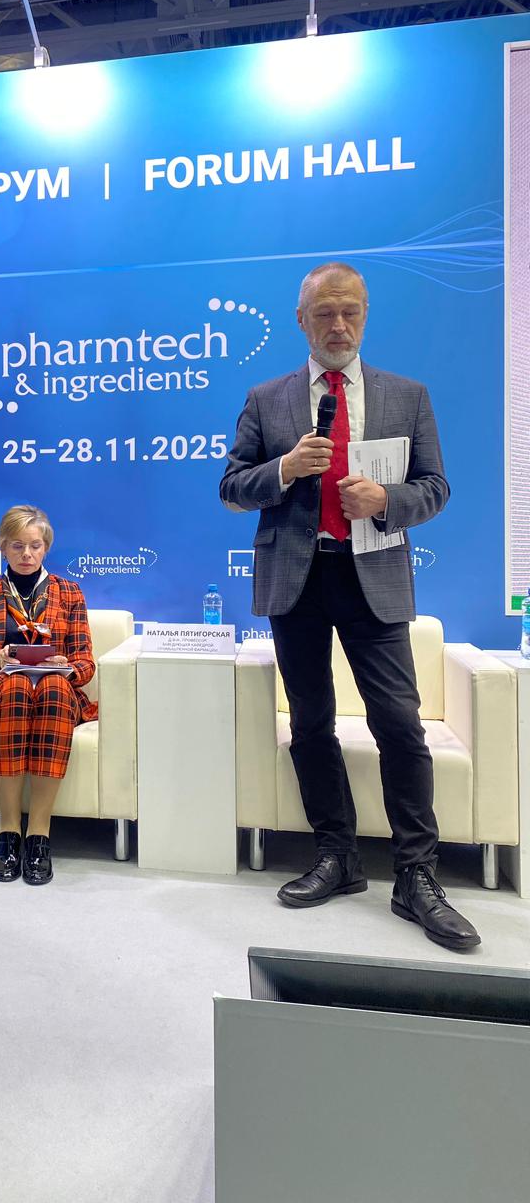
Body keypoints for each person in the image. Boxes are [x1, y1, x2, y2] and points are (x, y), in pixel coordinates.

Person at [219, 262, 480, 951]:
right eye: (325, 313)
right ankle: (336, 857)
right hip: (297, 579)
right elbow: (231, 487)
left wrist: (388, 500)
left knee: (399, 724)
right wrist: (283, 470)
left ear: (365, 315)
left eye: (350, 312)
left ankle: (417, 876)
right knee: (311, 723)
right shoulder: (266, 398)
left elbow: (436, 487)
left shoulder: (407, 396)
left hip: (374, 577)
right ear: (301, 320)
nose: (338, 325)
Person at [0, 505, 96, 885]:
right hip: (1, 691)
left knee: (53, 687)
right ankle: (8, 831)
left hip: (55, 691)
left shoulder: (69, 593)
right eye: (17, 546)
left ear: (46, 547)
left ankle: (39, 834)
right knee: (16, 685)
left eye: (35, 546)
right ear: (3, 547)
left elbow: (86, 665)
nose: (27, 554)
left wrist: (65, 665)